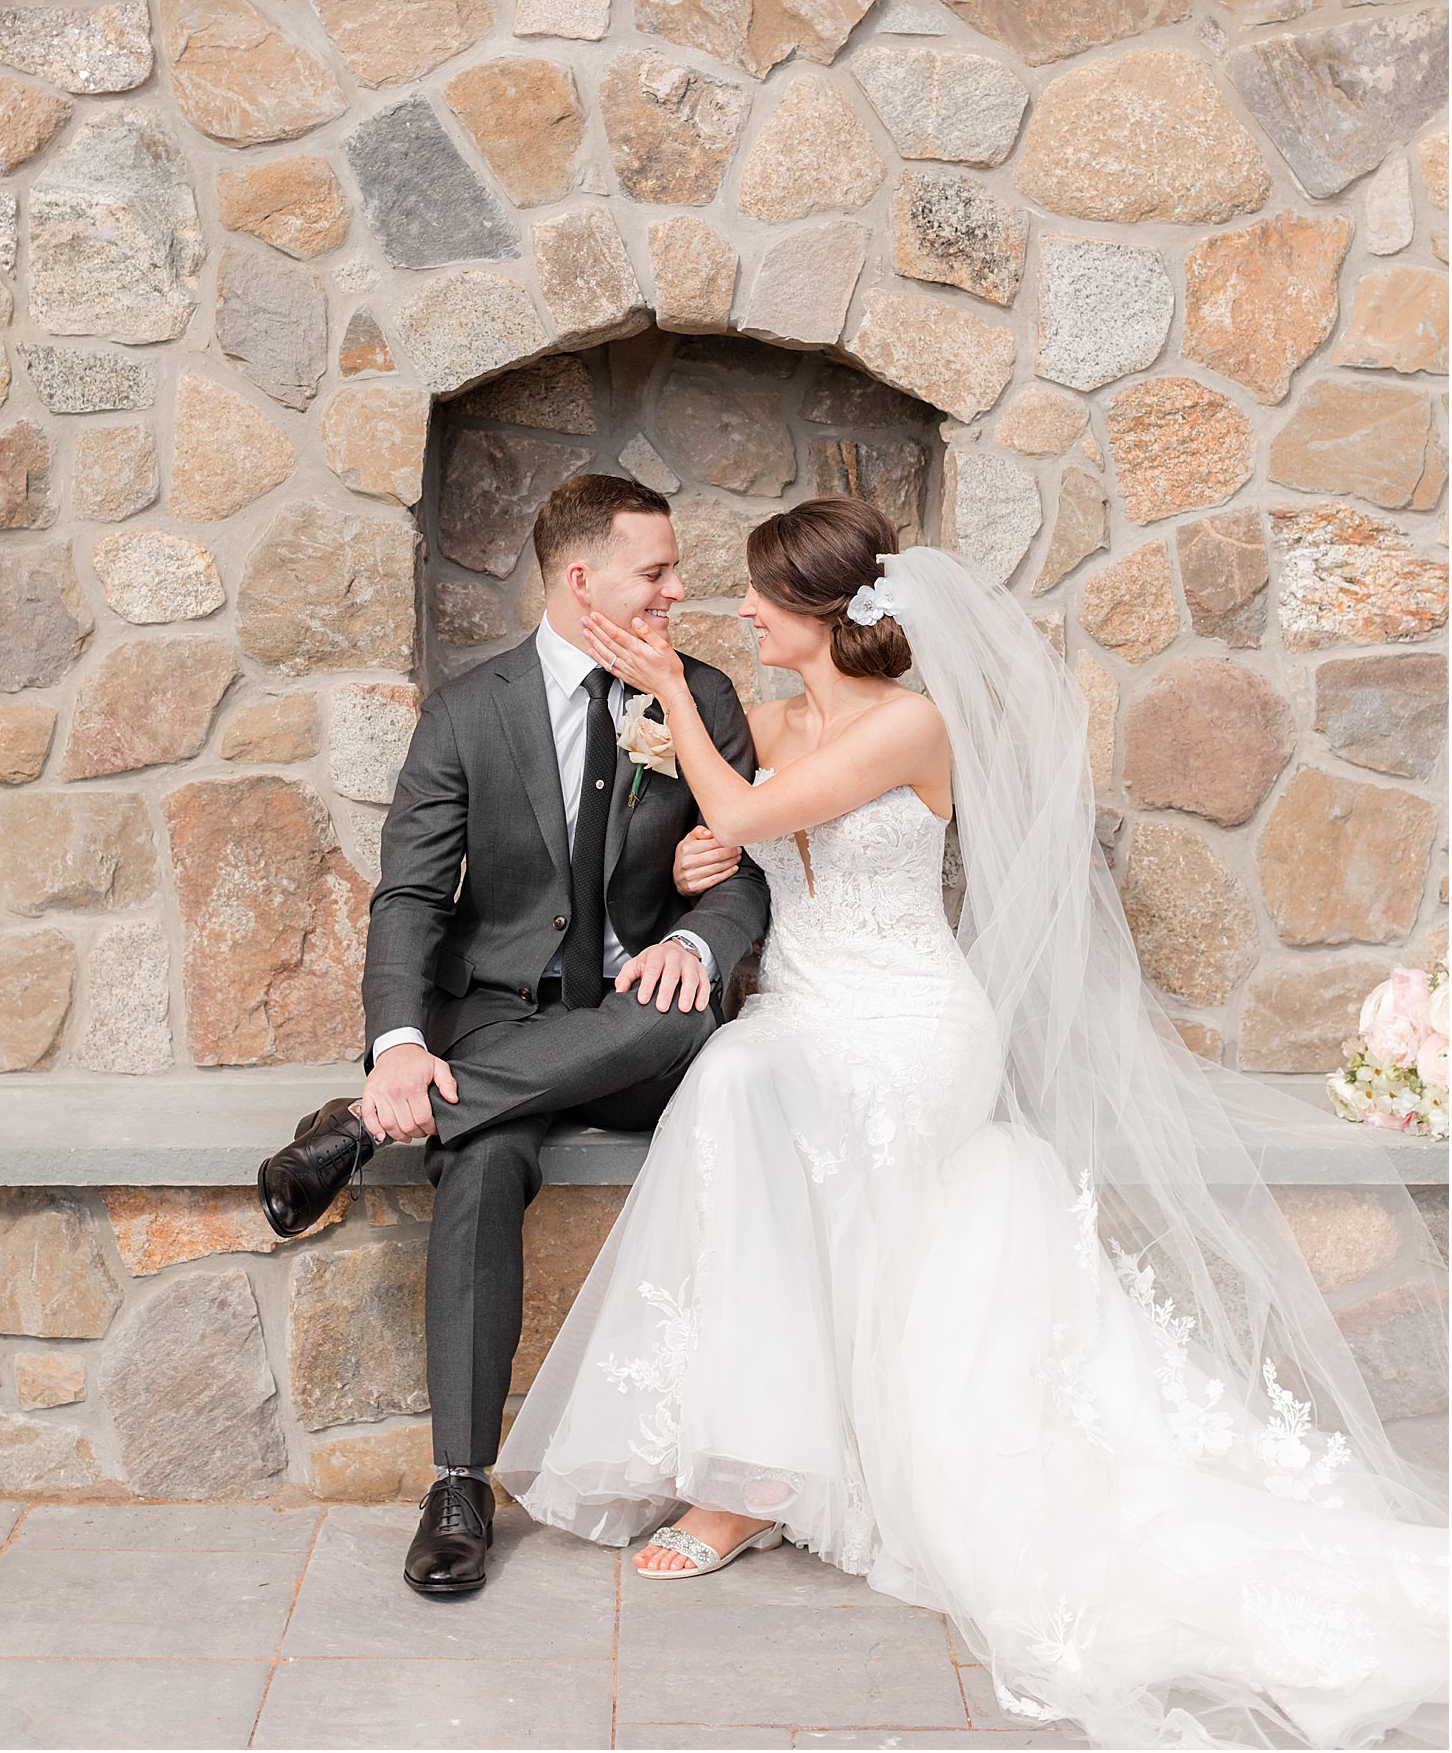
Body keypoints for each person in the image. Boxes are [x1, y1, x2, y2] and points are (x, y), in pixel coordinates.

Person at [496, 497, 1449, 1750]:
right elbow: (717, 830)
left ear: (825, 618)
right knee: (739, 1079)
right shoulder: (773, 720)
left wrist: (679, 713)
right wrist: (687, 867)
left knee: (735, 1086)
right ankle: (754, 1466)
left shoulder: (910, 725)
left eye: (761, 600)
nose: (738, 613)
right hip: (802, 1008)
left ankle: (753, 1482)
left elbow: (740, 814)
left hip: (905, 1027)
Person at [258, 474, 768, 1598]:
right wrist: (398, 1043)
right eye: (657, 572)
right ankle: (458, 1487)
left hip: (645, 1017)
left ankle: (357, 1132)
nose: (678, 590)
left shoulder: (701, 698)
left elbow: (750, 870)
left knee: (669, 1020)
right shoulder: (468, 709)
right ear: (582, 582)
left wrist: (695, 943)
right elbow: (409, 897)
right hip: (494, 1018)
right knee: (478, 1160)